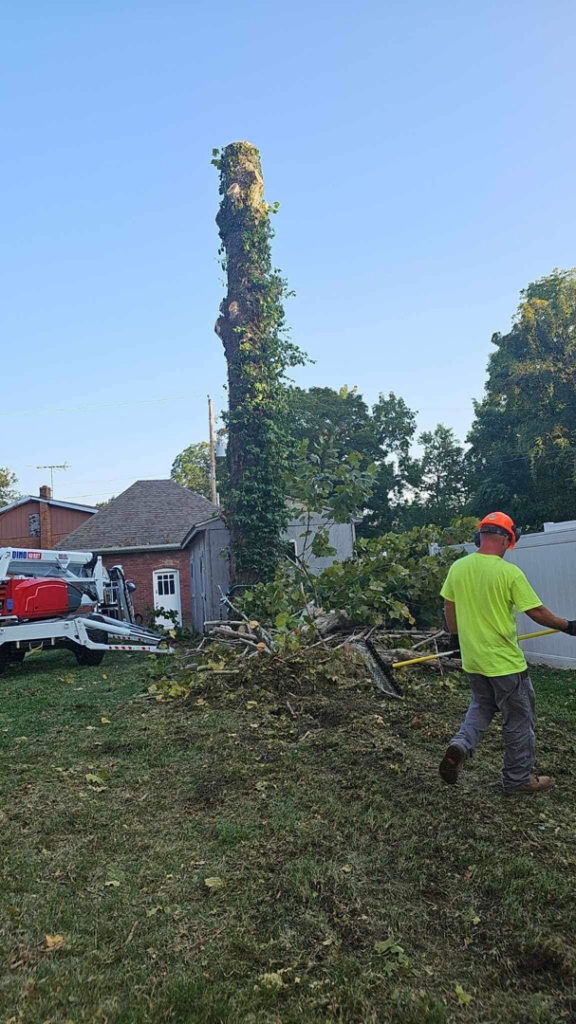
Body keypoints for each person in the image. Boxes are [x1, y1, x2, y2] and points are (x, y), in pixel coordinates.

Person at [438, 512, 576, 795]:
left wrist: (455, 639)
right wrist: (568, 626)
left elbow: (448, 607)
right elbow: (535, 611)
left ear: (480, 537)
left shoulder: (459, 567)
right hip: (505, 666)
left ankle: (461, 746)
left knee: (481, 707)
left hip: (474, 661)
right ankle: (518, 779)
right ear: (505, 539)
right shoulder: (508, 572)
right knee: (519, 720)